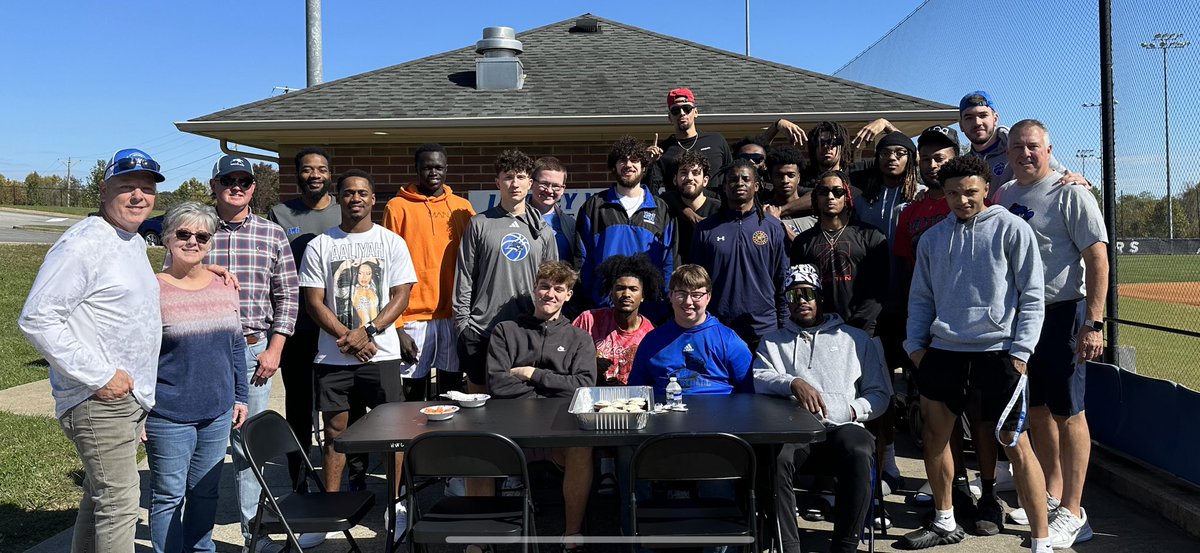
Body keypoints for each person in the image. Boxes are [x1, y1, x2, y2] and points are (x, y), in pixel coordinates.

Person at [901, 155, 1051, 551]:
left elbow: (1033, 296)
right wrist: (915, 346)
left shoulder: (1011, 229)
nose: (962, 200)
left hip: (999, 353)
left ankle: (1042, 540)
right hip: (943, 353)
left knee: (1015, 444)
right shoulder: (933, 239)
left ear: (986, 189)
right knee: (935, 439)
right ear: (943, 194)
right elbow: (921, 298)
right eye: (953, 193)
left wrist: (1021, 353)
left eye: (970, 192)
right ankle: (945, 521)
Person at [19, 148, 166, 552]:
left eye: (147, 188)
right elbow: (38, 318)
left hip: (126, 397)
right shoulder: (82, 244)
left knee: (100, 500)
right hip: (98, 398)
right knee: (120, 507)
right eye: (127, 187)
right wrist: (101, 376)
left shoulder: (130, 240)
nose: (139, 196)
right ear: (104, 191)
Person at [993, 120, 1109, 549]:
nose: (1025, 153)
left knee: (1070, 412)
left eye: (1033, 146)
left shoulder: (1070, 192)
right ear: (1007, 153)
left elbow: (1098, 259)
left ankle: (1076, 513)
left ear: (1048, 149)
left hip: (1063, 313)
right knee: (1037, 411)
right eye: (1018, 147)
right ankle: (1054, 498)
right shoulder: (1004, 196)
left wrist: (1093, 323)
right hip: (1023, 318)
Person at [300, 169, 419, 538]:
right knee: (335, 433)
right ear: (339, 197)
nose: (356, 198)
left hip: (380, 355)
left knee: (393, 434)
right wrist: (347, 337)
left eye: (363, 193)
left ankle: (396, 505)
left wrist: (368, 332)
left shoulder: (391, 243)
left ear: (372, 199)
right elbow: (314, 302)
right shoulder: (321, 245)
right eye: (349, 192)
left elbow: (401, 295)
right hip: (334, 357)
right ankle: (327, 514)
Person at [755, 264, 892, 553]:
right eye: (793, 296)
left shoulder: (855, 339)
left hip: (841, 428)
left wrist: (850, 411)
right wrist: (793, 382)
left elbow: (879, 394)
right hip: (795, 431)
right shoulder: (772, 342)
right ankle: (788, 546)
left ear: (819, 297)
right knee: (774, 458)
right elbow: (760, 379)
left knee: (859, 449)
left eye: (807, 294)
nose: (801, 301)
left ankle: (845, 545)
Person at [205, 154, 300, 552]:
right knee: (204, 447)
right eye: (229, 179)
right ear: (215, 185)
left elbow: (288, 296)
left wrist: (275, 348)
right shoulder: (195, 231)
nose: (237, 186)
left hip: (252, 352)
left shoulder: (271, 234)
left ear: (254, 188)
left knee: (248, 448)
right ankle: (194, 537)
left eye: (245, 180)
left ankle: (253, 534)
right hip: (202, 355)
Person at [145, 202, 250, 553]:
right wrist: (139, 412)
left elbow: (236, 346)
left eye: (202, 236)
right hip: (168, 413)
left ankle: (201, 549)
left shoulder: (224, 285)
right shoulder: (150, 289)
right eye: (183, 234)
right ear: (166, 238)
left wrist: (240, 397)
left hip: (217, 411)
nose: (192, 241)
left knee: (206, 491)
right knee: (168, 496)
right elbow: (136, 355)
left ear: (211, 242)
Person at [486, 260, 597, 550]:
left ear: (568, 295)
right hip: (512, 427)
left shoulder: (580, 338)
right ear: (534, 289)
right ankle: (480, 540)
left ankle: (572, 534)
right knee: (478, 443)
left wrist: (532, 374)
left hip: (561, 428)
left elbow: (584, 387)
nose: (550, 294)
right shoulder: (505, 331)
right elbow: (498, 383)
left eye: (558, 289)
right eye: (544, 287)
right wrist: (552, 390)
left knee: (582, 447)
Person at [267, 147, 341, 510]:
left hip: (341, 328)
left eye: (321, 169)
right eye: (308, 169)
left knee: (342, 406)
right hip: (298, 327)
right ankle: (298, 479)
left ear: (330, 174)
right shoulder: (281, 214)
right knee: (299, 407)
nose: (315, 175)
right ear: (297, 174)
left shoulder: (346, 211)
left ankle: (344, 477)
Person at [454, 149, 557, 394]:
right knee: (479, 403)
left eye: (521, 177)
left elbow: (553, 282)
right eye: (508, 177)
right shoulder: (479, 224)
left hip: (526, 330)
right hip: (482, 329)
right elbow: (464, 277)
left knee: (522, 403)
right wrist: (463, 327)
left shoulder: (541, 229)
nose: (515, 183)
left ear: (530, 183)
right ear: (497, 182)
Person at [382, 143, 476, 399]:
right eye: (426, 167)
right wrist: (397, 327)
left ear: (446, 169)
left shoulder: (462, 208)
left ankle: (447, 440)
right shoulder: (397, 207)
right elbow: (388, 269)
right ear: (416, 169)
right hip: (412, 318)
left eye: (438, 167)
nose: (433, 172)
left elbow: (473, 264)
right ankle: (415, 440)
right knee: (412, 395)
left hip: (452, 316)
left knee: (451, 393)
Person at [691, 159, 788, 350]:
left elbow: (783, 280)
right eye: (733, 179)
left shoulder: (774, 227)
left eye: (746, 179)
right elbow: (695, 284)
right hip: (717, 328)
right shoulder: (705, 230)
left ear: (757, 186)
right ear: (725, 186)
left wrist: (784, 326)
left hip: (764, 329)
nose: (740, 183)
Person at [575, 135, 676, 309]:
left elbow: (669, 261)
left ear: (644, 167)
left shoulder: (661, 209)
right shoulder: (595, 206)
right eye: (622, 160)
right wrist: (587, 301)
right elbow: (582, 258)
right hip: (603, 308)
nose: (628, 165)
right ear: (614, 167)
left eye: (635, 160)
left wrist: (664, 304)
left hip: (650, 312)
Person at [628, 264, 754, 395]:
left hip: (718, 413)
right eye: (681, 293)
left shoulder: (729, 340)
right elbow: (636, 392)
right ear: (670, 295)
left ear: (708, 297)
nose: (688, 301)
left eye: (696, 294)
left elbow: (749, 392)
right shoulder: (652, 341)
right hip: (667, 412)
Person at [791, 170, 887, 335]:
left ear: (847, 195)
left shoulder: (871, 236)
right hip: (819, 331)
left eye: (837, 191)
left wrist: (856, 327)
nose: (830, 197)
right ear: (816, 197)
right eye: (823, 192)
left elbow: (879, 289)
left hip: (864, 330)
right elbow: (801, 290)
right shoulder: (802, 242)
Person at [572, 254, 662, 385]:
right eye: (620, 288)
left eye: (633, 289)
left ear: (643, 295)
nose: (626, 294)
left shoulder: (651, 333)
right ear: (611, 293)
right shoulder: (589, 320)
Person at [646, 87, 732, 194]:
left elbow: (731, 175)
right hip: (679, 210)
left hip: (717, 209)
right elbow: (652, 191)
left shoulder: (716, 141)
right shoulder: (662, 151)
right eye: (675, 111)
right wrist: (649, 164)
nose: (682, 113)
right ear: (670, 117)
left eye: (686, 108)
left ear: (695, 112)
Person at [659, 149, 720, 265]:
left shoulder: (719, 210)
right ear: (674, 179)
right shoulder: (665, 208)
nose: (689, 177)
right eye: (683, 172)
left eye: (696, 172)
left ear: (705, 180)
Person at [529, 156, 577, 265]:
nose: (549, 190)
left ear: (563, 189)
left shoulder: (571, 225)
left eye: (556, 186)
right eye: (544, 184)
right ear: (531, 183)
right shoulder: (516, 220)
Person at [763, 144, 816, 241]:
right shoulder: (763, 211)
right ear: (770, 177)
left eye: (791, 175)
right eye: (779, 175)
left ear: (798, 178)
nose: (785, 180)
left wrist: (779, 212)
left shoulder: (816, 211)